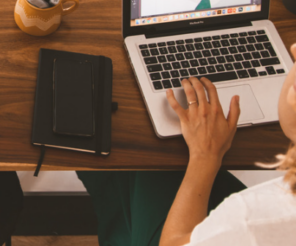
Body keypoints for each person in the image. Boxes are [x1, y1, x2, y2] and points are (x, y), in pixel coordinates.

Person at [78, 47, 296, 245]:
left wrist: (205, 155)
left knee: (148, 153)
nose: (294, 48)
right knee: (116, 162)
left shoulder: (251, 219)